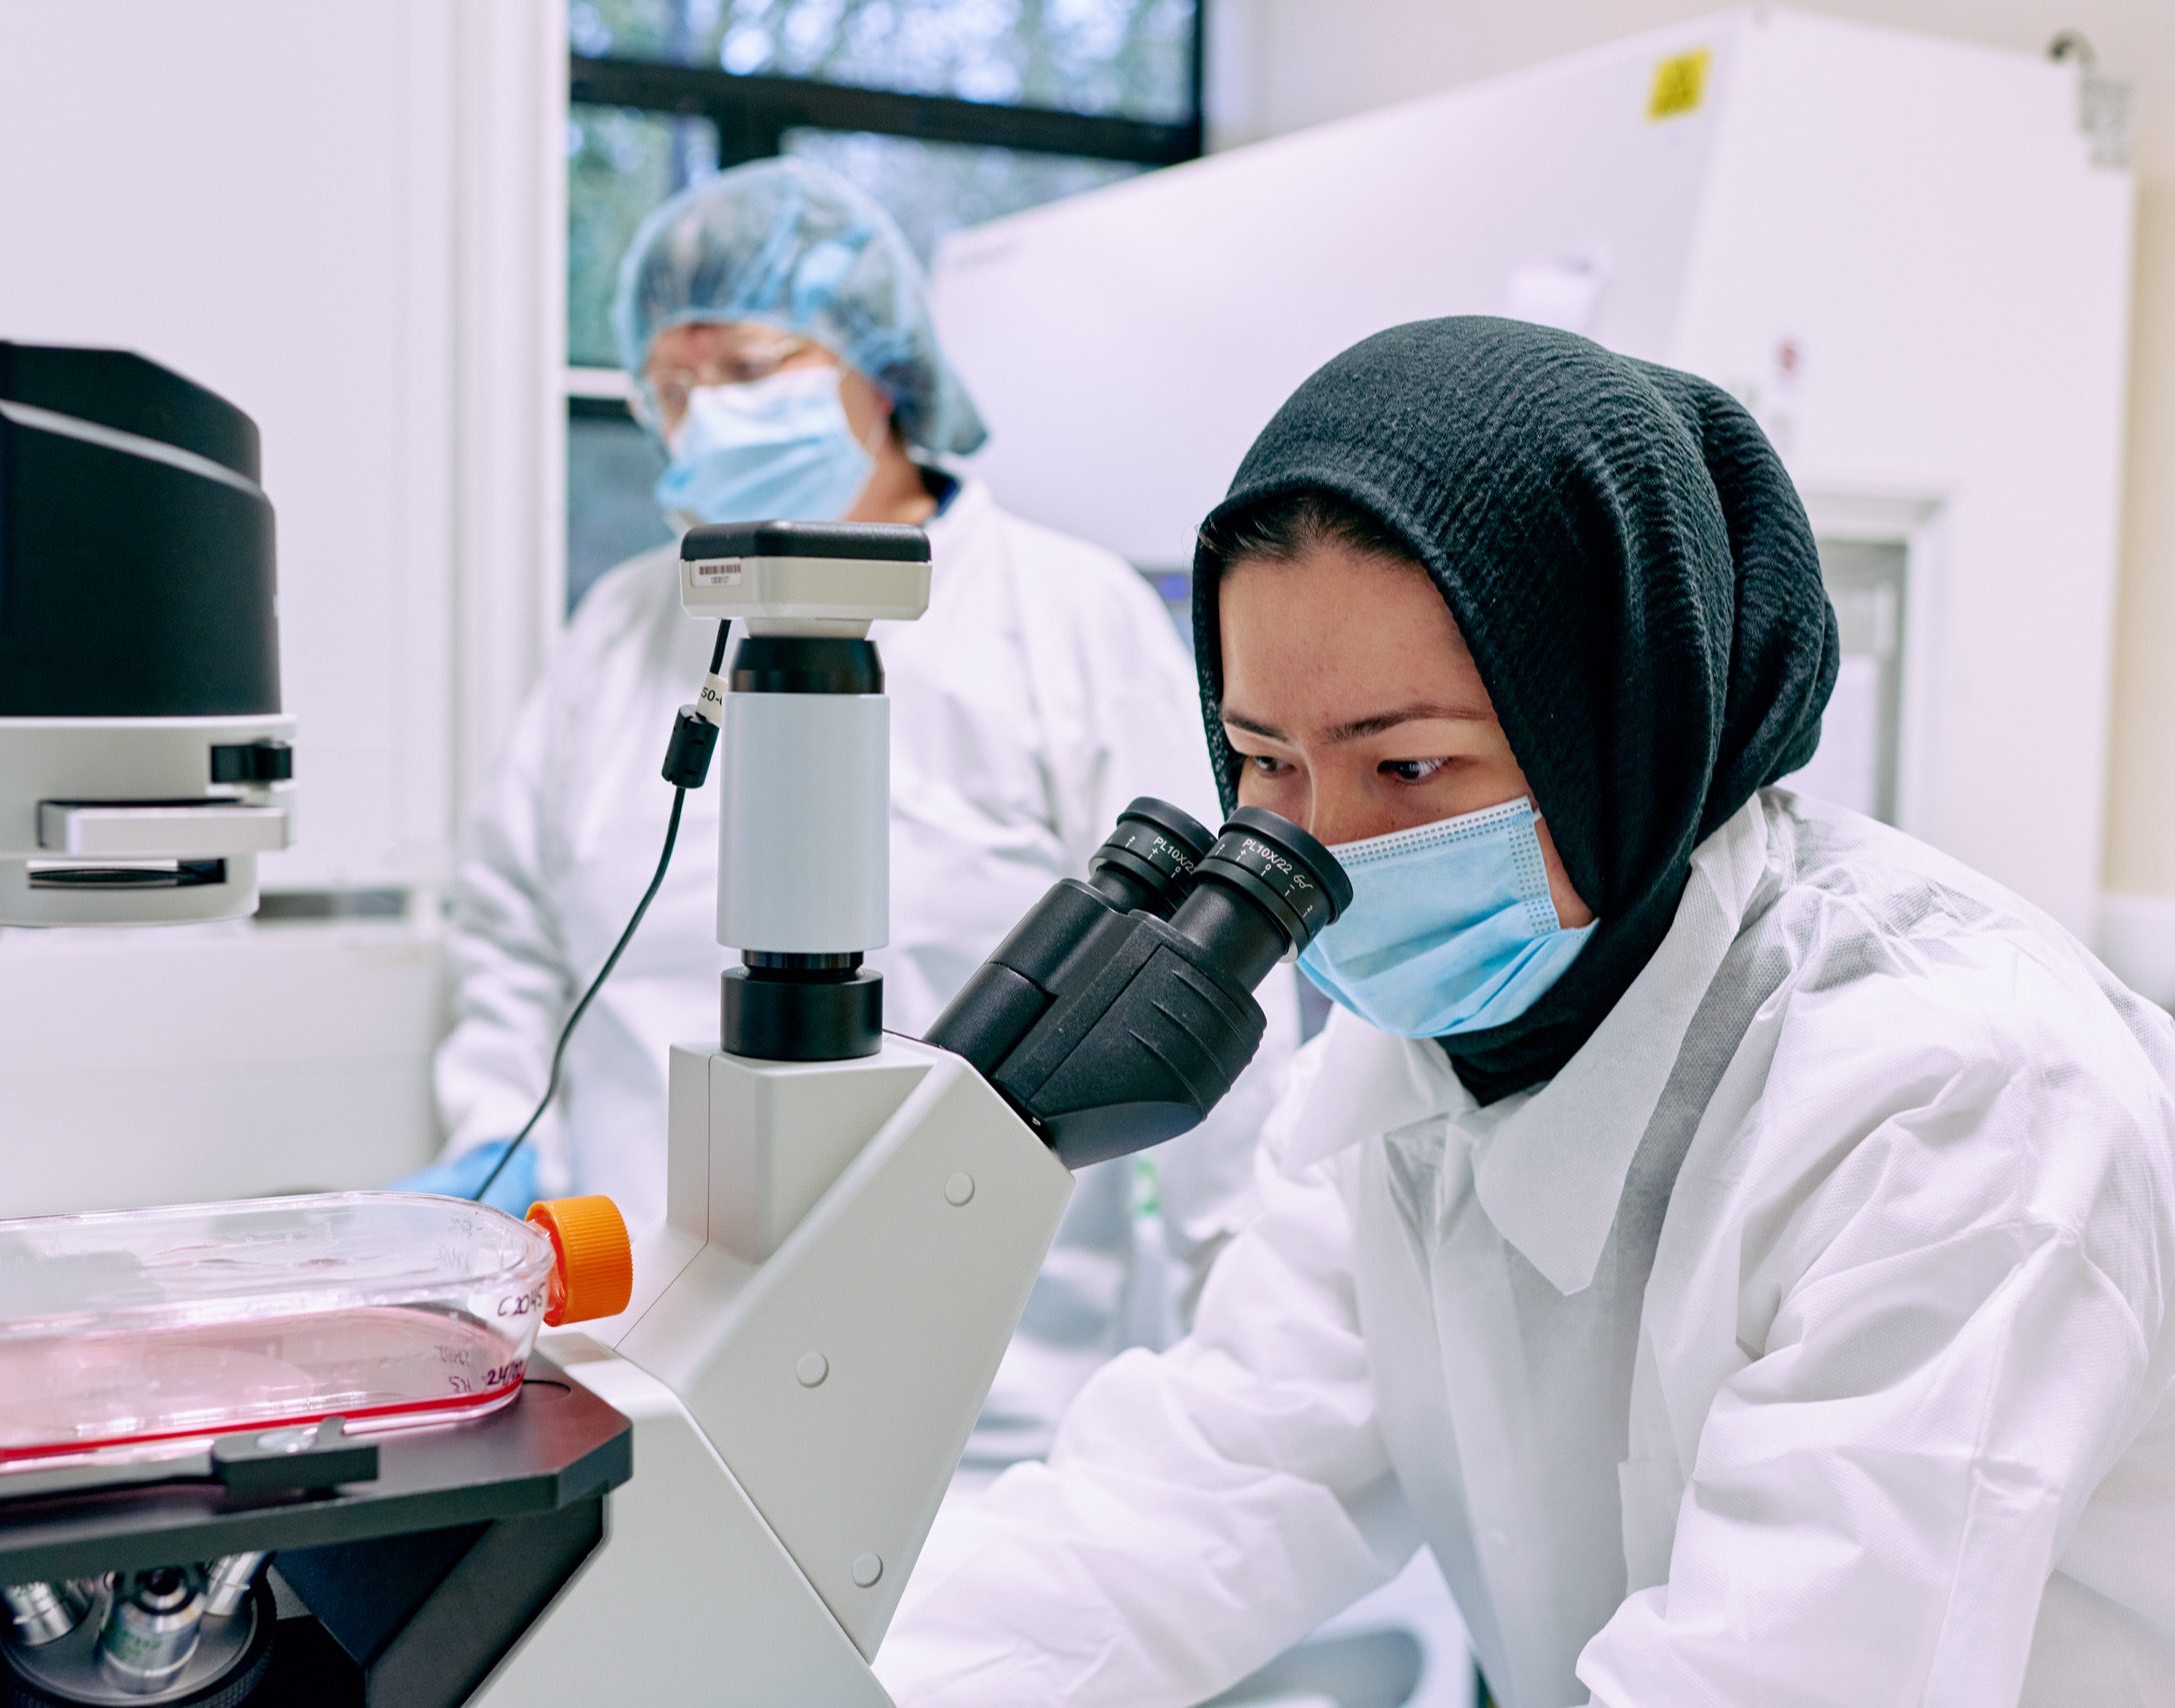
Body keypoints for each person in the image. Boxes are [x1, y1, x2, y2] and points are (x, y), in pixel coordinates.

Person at [877, 316, 2175, 1706]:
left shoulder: (1959, 1100)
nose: (1321, 849)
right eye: (1261, 760)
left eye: (1413, 767)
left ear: (1621, 733)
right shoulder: (1423, 1054)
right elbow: (1202, 1491)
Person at [422, 159, 1293, 1460]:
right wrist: (498, 1161)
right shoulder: (620, 630)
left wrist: (1257, 1360)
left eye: (750, 370)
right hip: (628, 1376)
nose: (705, 415)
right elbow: (513, 942)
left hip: (981, 1418)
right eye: (674, 386)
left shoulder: (1062, 617)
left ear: (881, 372)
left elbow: (1204, 1001)